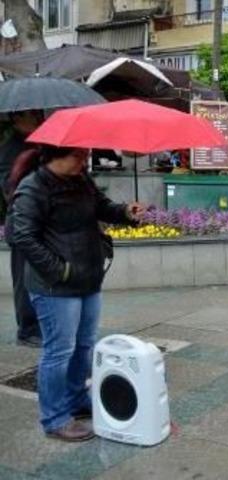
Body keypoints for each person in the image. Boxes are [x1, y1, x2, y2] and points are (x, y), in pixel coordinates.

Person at [8, 146, 144, 441]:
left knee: (84, 345)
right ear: (57, 155)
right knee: (59, 352)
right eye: (78, 156)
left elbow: (101, 207)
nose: (85, 160)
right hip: (55, 287)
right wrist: (60, 271)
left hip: (88, 279)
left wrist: (124, 212)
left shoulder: (81, 179)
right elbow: (22, 236)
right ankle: (55, 417)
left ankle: (76, 399)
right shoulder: (34, 187)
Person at [1, 110, 44, 347]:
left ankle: (38, 325)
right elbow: (10, 188)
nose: (38, 118)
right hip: (21, 225)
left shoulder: (37, 142)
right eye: (33, 115)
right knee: (24, 281)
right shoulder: (11, 148)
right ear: (18, 119)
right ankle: (26, 330)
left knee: (37, 278)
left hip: (39, 223)